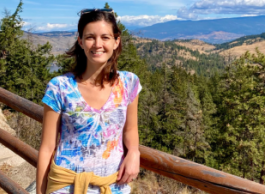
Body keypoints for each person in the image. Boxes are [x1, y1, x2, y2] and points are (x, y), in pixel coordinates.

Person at [36, 9, 142, 194]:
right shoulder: (60, 87)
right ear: (81, 41)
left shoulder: (128, 83)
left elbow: (130, 129)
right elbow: (47, 148)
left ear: (116, 41)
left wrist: (134, 152)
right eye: (90, 37)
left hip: (113, 185)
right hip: (65, 185)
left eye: (105, 37)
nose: (98, 44)